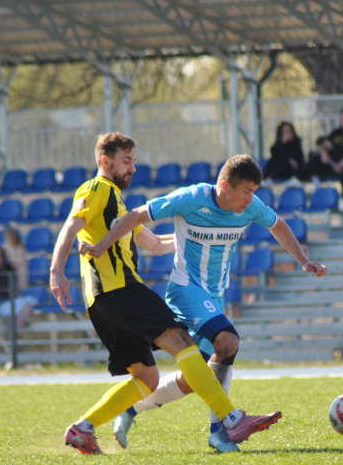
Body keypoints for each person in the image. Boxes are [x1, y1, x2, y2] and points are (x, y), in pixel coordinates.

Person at [49, 132, 282, 454]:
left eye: (134, 161)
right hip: (120, 290)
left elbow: (157, 245)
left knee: (147, 378)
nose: (132, 168)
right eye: (126, 161)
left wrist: (206, 233)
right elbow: (71, 226)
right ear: (105, 161)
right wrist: (56, 271)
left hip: (101, 303)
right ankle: (231, 420)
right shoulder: (98, 188)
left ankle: (83, 428)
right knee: (182, 342)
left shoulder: (116, 207)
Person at [82, 154, 327, 449]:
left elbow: (278, 225)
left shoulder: (251, 206)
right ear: (225, 186)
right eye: (246, 191)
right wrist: (101, 245)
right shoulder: (190, 199)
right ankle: (221, 429)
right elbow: (135, 216)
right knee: (228, 341)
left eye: (254, 192)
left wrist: (304, 260)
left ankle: (131, 409)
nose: (250, 199)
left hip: (214, 297)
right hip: (186, 290)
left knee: (195, 378)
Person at [0, 227, 36, 330]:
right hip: (9, 275)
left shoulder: (20, 247)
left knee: (19, 294)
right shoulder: (5, 247)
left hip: (20, 273)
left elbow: (21, 260)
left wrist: (12, 261)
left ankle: (19, 320)